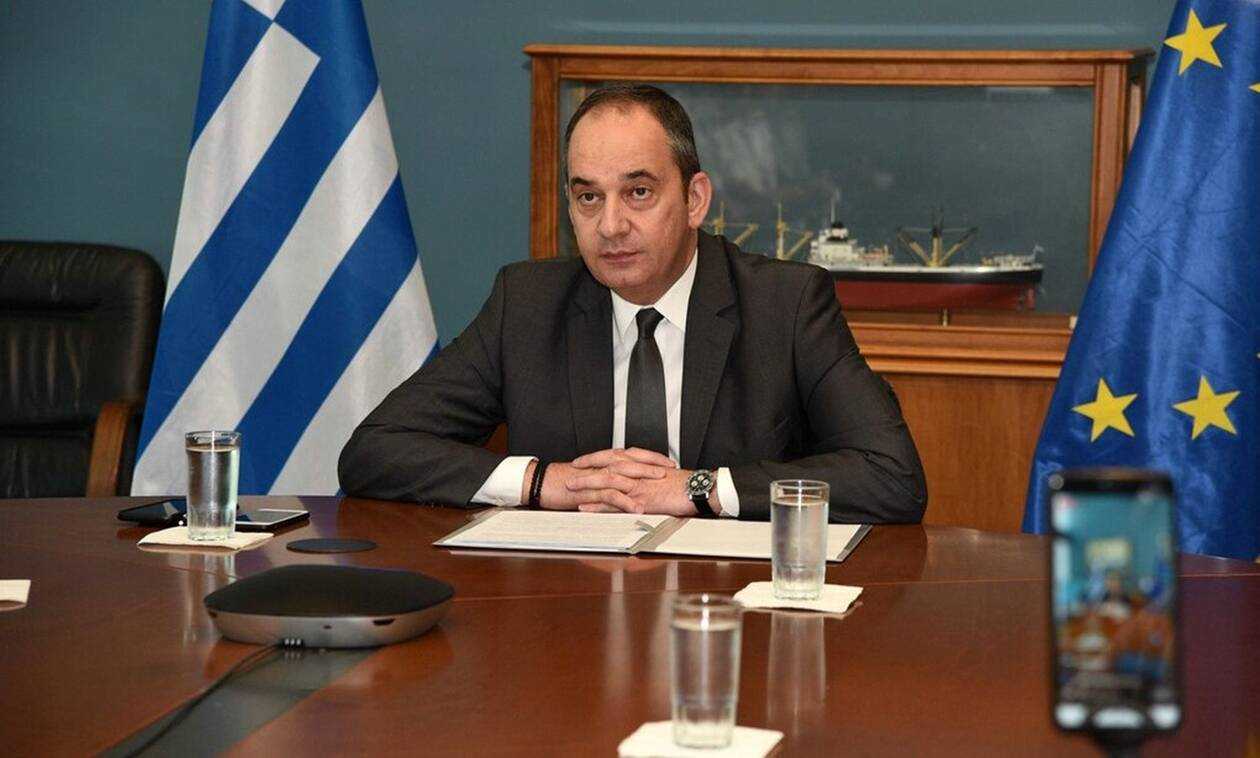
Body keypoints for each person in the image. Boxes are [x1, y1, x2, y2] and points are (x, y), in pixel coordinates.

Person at [338, 84, 926, 523]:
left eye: (638, 192)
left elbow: (891, 476)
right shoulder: (528, 304)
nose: (611, 225)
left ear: (694, 200)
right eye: (588, 197)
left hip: (727, 609)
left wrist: (699, 489)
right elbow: (374, 450)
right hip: (567, 608)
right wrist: (546, 481)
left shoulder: (786, 303)